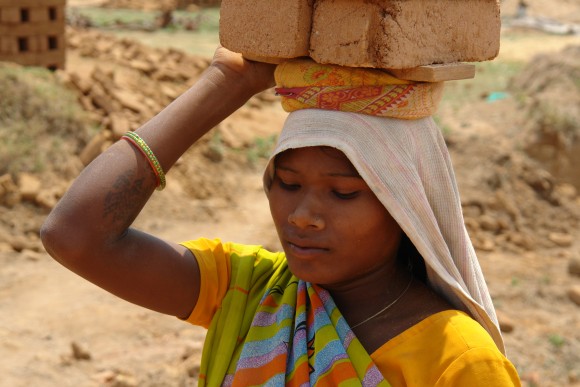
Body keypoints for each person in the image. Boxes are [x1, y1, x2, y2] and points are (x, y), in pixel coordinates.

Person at [41, 47, 521, 386]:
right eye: (287, 185)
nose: (304, 216)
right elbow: (76, 236)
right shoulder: (251, 292)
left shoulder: (457, 362)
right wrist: (228, 83)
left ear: (406, 207)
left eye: (343, 193)